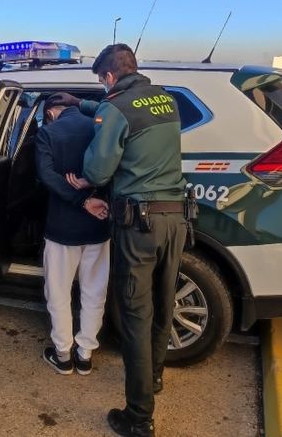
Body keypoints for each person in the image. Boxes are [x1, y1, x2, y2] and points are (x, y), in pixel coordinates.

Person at [52, 44, 187, 437]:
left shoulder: (115, 109)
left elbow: (98, 168)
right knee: (163, 302)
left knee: (135, 315)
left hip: (139, 226)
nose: (102, 86)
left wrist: (83, 180)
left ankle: (139, 418)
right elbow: (123, 114)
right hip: (176, 219)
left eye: (101, 81)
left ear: (109, 77)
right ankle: (154, 378)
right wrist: (82, 104)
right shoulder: (165, 99)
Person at [34, 96, 111, 376]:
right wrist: (93, 196)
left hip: (62, 228)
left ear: (51, 113)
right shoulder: (99, 127)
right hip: (98, 225)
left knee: (58, 292)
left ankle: (63, 354)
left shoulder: (47, 133)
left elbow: (46, 175)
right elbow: (113, 167)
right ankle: (85, 354)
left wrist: (80, 200)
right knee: (94, 291)